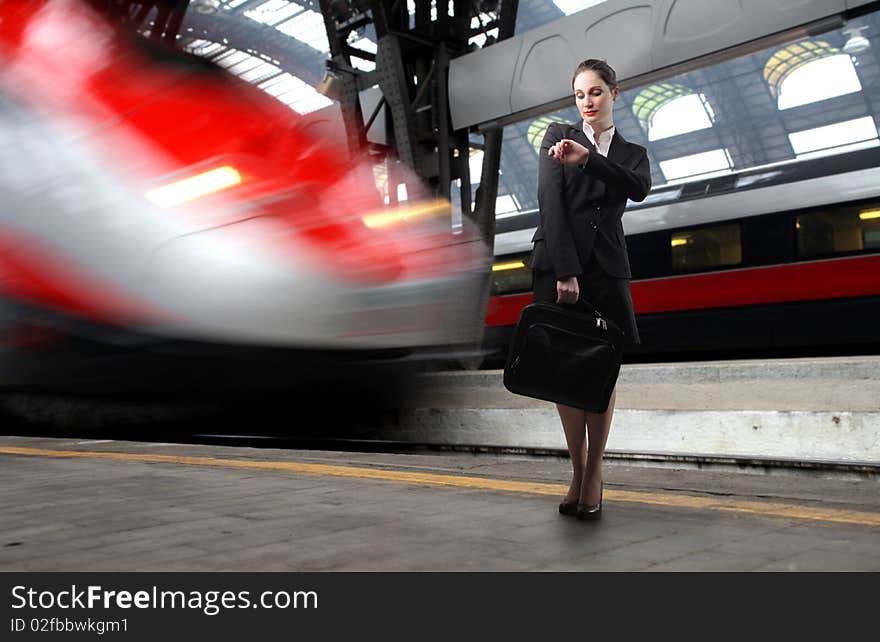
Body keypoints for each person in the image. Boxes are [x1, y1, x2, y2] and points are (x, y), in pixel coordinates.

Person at [530, 59, 651, 520]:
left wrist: (591, 161)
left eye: (596, 92)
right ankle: (577, 470)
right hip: (560, 265)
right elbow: (550, 205)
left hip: (606, 270)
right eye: (580, 94)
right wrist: (564, 270)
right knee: (564, 369)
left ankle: (595, 472)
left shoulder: (631, 152)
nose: (587, 102)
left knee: (602, 369)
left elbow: (638, 188)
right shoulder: (556, 136)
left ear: (614, 94)